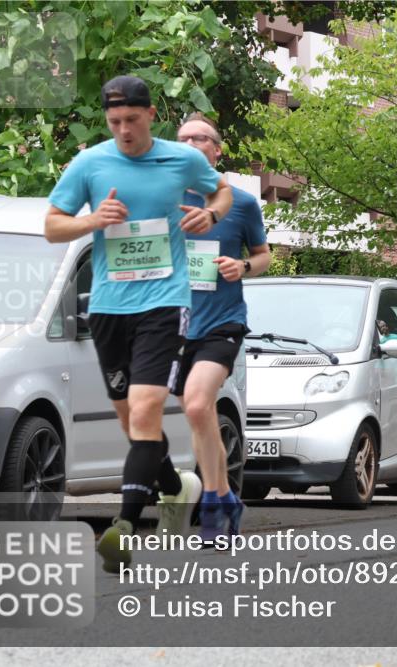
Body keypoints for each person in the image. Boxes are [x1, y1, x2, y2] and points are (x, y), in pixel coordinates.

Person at [44, 76, 233, 571]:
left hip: (165, 302)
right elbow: (52, 226)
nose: (124, 130)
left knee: (147, 410)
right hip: (109, 307)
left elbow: (222, 192)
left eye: (132, 119)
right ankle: (174, 486)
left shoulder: (182, 159)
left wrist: (211, 216)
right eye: (115, 122)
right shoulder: (90, 164)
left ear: (151, 115)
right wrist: (92, 220)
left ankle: (123, 528)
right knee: (131, 422)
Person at [172, 113, 272, 541]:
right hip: (173, 326)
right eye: (182, 139)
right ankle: (224, 495)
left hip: (222, 322)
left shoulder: (241, 203)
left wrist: (242, 266)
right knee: (200, 416)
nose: (190, 144)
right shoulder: (162, 199)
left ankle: (214, 499)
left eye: (199, 138)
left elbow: (264, 256)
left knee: (198, 406)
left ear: (216, 150)